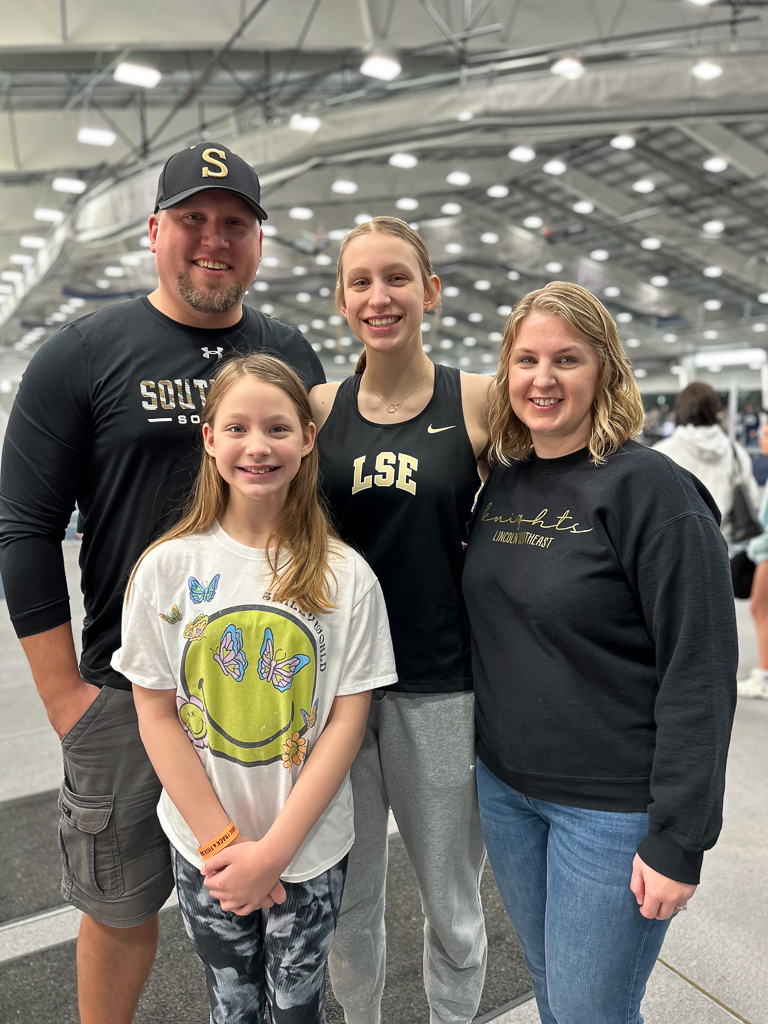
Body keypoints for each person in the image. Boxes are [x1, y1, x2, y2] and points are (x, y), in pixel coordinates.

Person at [0, 143, 324, 1024]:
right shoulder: (82, 353)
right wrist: (66, 695)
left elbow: (322, 508)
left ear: (258, 241)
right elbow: (25, 530)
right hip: (125, 689)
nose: (213, 240)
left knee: (284, 894)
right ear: (154, 231)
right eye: (193, 220)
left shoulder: (289, 353)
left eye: (234, 223)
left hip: (265, 685)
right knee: (121, 905)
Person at [463, 281, 737, 1024]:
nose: (542, 379)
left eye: (566, 359)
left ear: (605, 371)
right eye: (526, 359)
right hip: (506, 790)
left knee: (590, 1010)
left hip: (611, 810)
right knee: (560, 998)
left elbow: (701, 671)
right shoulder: (504, 484)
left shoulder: (655, 492)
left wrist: (680, 837)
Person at [113, 354, 396, 1022]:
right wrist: (222, 846)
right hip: (204, 848)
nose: (257, 446)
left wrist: (273, 853)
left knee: (298, 1006)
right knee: (231, 1003)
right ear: (209, 439)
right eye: (236, 428)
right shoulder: (167, 569)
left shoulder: (346, 577)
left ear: (307, 439)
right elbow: (156, 714)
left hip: (309, 846)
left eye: (276, 428)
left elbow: (346, 725)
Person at [311, 217, 490, 1024]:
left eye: (397, 278)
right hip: (340, 695)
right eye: (361, 281)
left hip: (441, 690)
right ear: (342, 299)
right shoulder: (320, 407)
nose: (379, 297)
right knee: (349, 909)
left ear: (431, 292)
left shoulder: (479, 399)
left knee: (452, 907)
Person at [653, 382, 759, 534]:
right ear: (714, 409)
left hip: (677, 547)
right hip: (724, 546)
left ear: (680, 409)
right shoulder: (735, 452)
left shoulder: (660, 453)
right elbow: (752, 497)